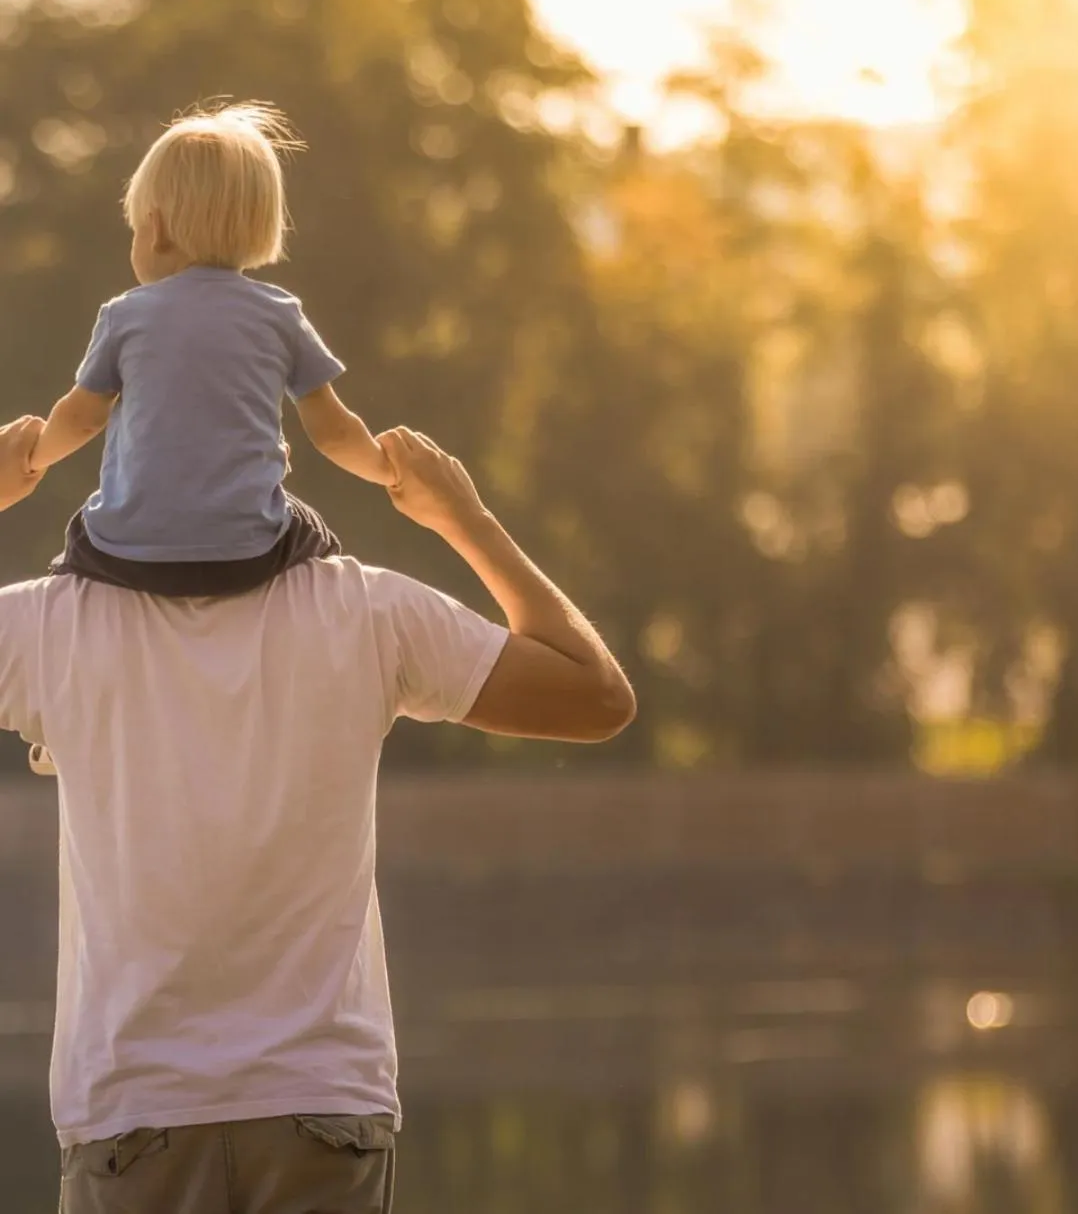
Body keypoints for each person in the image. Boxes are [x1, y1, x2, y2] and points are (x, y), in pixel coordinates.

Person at [0, 414, 635, 1213]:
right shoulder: (367, 612)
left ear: (120, 463)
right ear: (279, 459)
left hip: (132, 1114)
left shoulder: (48, 627)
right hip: (322, 1112)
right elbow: (596, 696)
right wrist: (464, 520)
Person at [30, 101, 396, 600]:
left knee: (81, 533)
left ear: (154, 230)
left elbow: (81, 420)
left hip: (127, 555)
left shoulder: (125, 315)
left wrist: (32, 456)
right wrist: (387, 468)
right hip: (248, 557)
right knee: (313, 532)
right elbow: (334, 433)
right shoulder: (280, 314)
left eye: (135, 229)